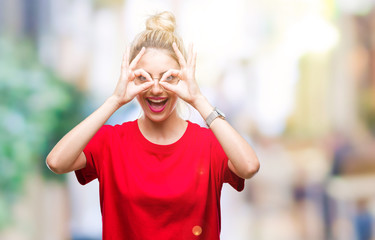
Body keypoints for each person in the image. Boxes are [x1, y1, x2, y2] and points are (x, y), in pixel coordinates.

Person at [46, 11, 260, 240]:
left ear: (182, 79)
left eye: (169, 77)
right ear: (130, 79)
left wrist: (199, 100)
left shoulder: (207, 144)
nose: (156, 89)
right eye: (143, 78)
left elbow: (249, 166)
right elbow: (57, 162)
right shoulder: (112, 141)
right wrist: (113, 101)